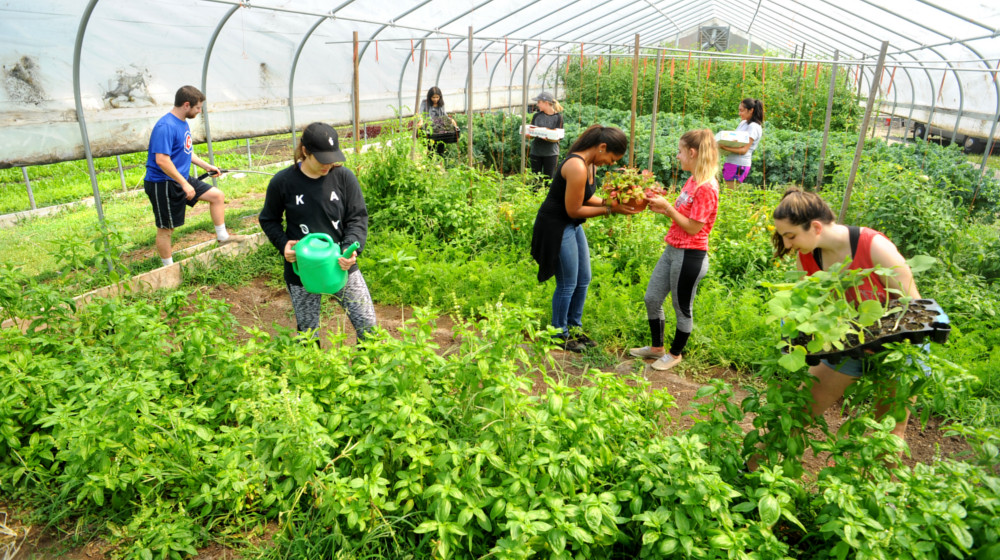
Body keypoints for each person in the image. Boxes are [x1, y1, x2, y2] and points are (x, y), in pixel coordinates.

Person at [769, 187, 924, 445]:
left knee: (888, 434)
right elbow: (811, 309)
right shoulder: (807, 258)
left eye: (790, 235)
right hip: (850, 345)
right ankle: (749, 473)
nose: (786, 244)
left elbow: (914, 308)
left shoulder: (872, 246)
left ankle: (879, 486)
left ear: (816, 227)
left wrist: (877, 338)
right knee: (796, 413)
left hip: (898, 347)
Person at [258, 122, 377, 342]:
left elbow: (357, 217)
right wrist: (283, 244)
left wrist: (350, 249)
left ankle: (365, 371)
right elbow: (268, 219)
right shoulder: (282, 182)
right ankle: (313, 374)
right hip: (303, 268)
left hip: (340, 264)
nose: (328, 164)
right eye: (322, 159)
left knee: (368, 326)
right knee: (308, 332)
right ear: (305, 152)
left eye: (332, 158)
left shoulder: (343, 178)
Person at [531, 125, 640, 352]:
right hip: (556, 225)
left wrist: (613, 202)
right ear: (601, 147)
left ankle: (574, 328)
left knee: (584, 278)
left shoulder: (589, 165)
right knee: (567, 283)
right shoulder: (577, 166)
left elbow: (587, 198)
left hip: (570, 224)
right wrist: (612, 210)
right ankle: (558, 333)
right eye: (612, 158)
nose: (611, 163)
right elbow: (574, 210)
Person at [630, 129, 720, 371]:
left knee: (682, 308)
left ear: (692, 152)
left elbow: (693, 228)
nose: (678, 157)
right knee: (651, 298)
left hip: (690, 255)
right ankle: (656, 348)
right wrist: (660, 204)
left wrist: (668, 209)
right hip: (673, 249)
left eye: (680, 152)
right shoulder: (692, 180)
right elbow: (683, 214)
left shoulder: (707, 188)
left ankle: (675, 353)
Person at [144, 85, 246, 267]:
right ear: (186, 105)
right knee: (166, 228)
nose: (199, 111)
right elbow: (162, 160)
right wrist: (185, 184)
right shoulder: (165, 126)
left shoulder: (182, 122)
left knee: (217, 196)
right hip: (163, 183)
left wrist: (208, 166)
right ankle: (168, 268)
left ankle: (223, 237)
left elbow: (186, 151)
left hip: (179, 178)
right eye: (197, 107)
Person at [718, 98, 764, 188]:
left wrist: (724, 147)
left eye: (741, 111)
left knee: (730, 194)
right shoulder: (743, 123)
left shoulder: (754, 127)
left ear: (751, 110)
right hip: (731, 162)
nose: (739, 113)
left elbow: (744, 150)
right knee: (726, 192)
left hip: (739, 164)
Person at [528, 92, 565, 179]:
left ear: (546, 103)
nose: (537, 105)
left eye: (539, 102)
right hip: (536, 152)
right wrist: (528, 134)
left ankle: (546, 193)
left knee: (548, 179)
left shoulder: (558, 118)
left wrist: (547, 137)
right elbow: (531, 133)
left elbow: (558, 137)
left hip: (551, 154)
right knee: (536, 180)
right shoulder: (537, 116)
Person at [416, 86, 458, 157]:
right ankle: (430, 165)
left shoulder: (441, 104)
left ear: (440, 97)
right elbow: (419, 113)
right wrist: (421, 120)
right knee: (431, 148)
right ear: (429, 97)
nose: (435, 99)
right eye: (433, 97)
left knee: (440, 148)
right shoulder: (425, 103)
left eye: (437, 97)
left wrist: (451, 120)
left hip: (440, 128)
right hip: (429, 127)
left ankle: (440, 165)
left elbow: (444, 115)